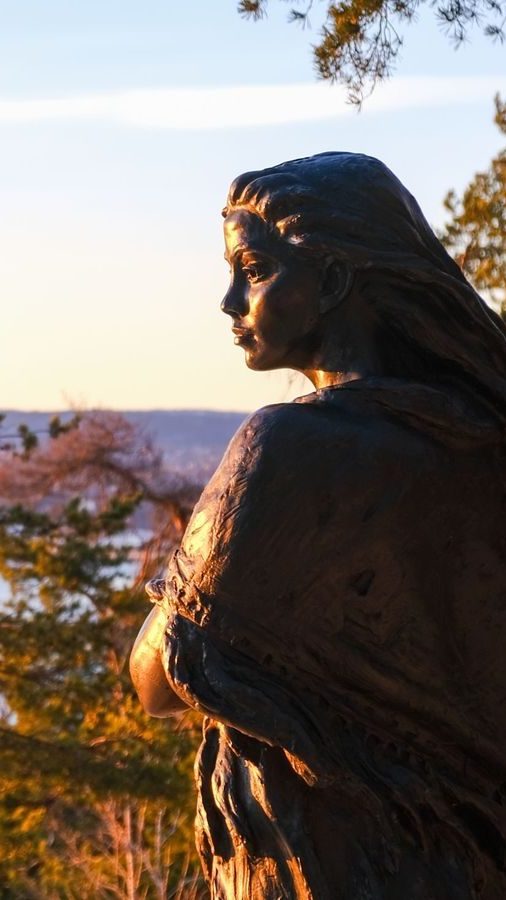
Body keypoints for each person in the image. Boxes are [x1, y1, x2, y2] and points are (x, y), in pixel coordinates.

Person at [130, 152, 506, 899]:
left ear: (333, 282)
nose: (229, 300)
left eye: (255, 270)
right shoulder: (480, 439)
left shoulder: (289, 449)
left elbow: (156, 677)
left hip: (343, 865)